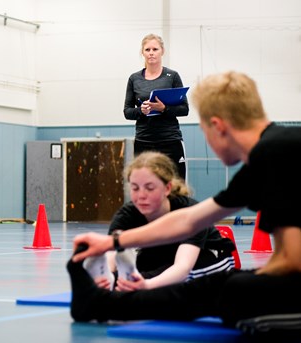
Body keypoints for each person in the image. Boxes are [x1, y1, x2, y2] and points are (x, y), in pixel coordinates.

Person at [67, 71, 301, 339]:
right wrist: (112, 243)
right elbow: (190, 220)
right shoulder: (271, 151)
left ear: (218, 126)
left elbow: (291, 264)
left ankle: (100, 304)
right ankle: (99, 304)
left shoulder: (275, 154)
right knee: (223, 285)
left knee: (234, 292)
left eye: (203, 131)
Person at [85, 151, 235, 292]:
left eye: (150, 188)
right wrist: (104, 278)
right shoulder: (127, 214)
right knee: (130, 276)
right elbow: (112, 254)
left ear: (167, 188)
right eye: (135, 188)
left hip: (206, 260)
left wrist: (146, 285)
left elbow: (183, 267)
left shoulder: (191, 211)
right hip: (162, 259)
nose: (141, 196)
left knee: (168, 282)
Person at [123, 33, 189, 180]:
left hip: (170, 140)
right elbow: (127, 111)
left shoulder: (172, 76)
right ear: (142, 52)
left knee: (176, 187)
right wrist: (141, 110)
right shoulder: (134, 79)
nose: (151, 53)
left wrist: (163, 108)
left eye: (155, 49)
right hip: (144, 141)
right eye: (147, 50)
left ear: (162, 51)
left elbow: (184, 109)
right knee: (145, 184)